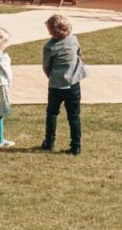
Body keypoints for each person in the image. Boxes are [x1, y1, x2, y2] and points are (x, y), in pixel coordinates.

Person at [40, 14, 88, 156]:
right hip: (73, 83)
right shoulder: (74, 40)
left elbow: (46, 66)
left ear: (51, 30)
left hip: (56, 85)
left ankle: (49, 142)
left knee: (52, 113)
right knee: (74, 116)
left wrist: (53, 77)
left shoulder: (49, 47)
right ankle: (76, 146)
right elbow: (79, 54)